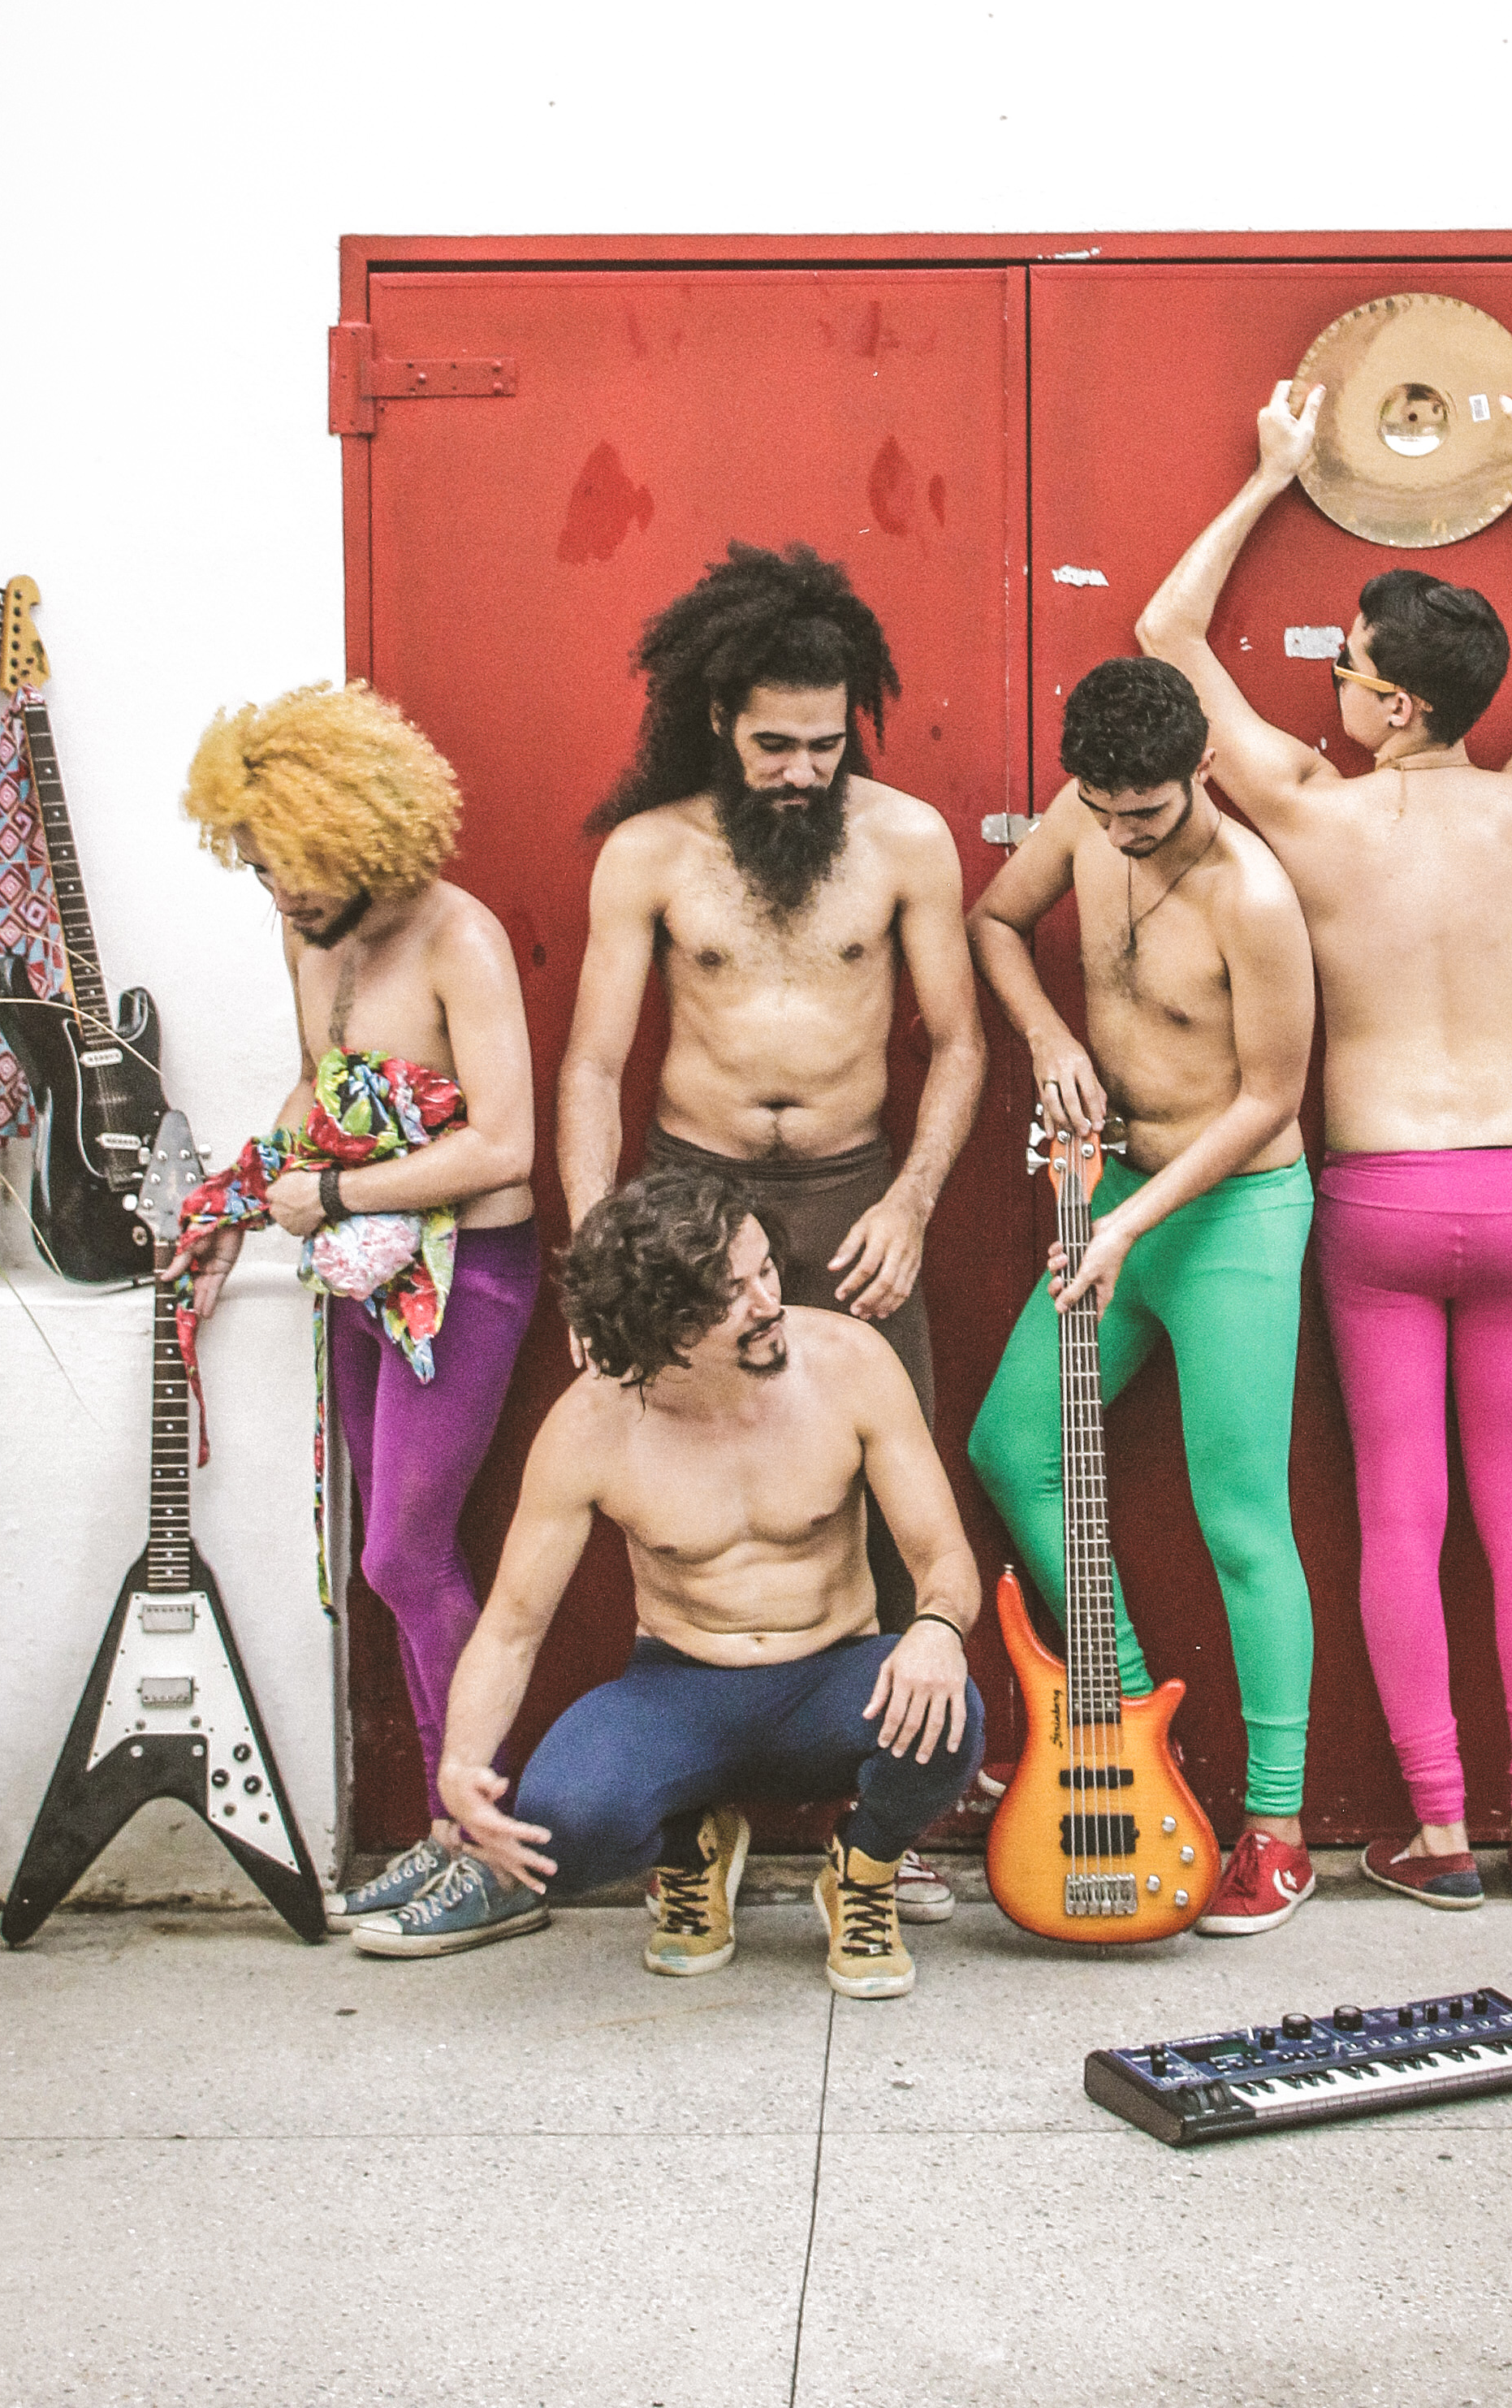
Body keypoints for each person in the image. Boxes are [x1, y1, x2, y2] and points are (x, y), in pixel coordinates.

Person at [1138, 374, 1512, 1908]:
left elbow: (1166, 633)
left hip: (1382, 1196)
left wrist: (1269, 475)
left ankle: (1440, 1837)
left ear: (1396, 705)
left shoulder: (1315, 816)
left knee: (1402, 1513)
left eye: (1349, 667)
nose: (1333, 683)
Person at [555, 539, 987, 1919]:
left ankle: (881, 1833)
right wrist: (597, 1264)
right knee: (679, 1483)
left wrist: (911, 1202)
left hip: (856, 1199)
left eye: (823, 743)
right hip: (693, 1199)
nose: (802, 770)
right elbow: (589, 1067)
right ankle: (699, 1804)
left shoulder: (907, 841)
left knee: (888, 1503)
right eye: (773, 745)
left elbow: (961, 1043)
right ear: (718, 721)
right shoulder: (650, 853)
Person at [348, 1168, 986, 1995]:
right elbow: (511, 1629)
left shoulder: (849, 1362)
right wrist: (461, 1765)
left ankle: (862, 1871)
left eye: (766, 1270)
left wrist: (936, 1630)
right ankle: (692, 1852)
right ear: (665, 1325)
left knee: (949, 1717)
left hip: (834, 1681)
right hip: (682, 1688)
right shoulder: (591, 1427)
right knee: (558, 1836)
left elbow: (943, 1558)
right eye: (733, 1295)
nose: (769, 1303)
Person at [170, 681, 540, 1931]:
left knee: (402, 1553)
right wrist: (232, 1208)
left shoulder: (459, 939)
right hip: (365, 1279)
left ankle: (490, 1853)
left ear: (360, 831)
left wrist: (327, 1193)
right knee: (392, 1560)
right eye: (259, 867)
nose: (279, 893)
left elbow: (504, 1147)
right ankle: (450, 1834)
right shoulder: (308, 936)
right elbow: (316, 1086)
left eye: (294, 864)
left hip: (468, 1275)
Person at [966, 655, 1321, 1932]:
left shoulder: (1252, 896)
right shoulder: (1087, 816)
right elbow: (995, 921)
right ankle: (1115, 1715)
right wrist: (1048, 1034)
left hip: (1231, 1217)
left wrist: (1129, 1221)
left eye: (1148, 813)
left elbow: (1271, 1098)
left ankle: (1277, 1830)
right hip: (1112, 1196)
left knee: (1242, 1519)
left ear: (1202, 771)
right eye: (1105, 810)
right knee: (1010, 1447)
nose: (1121, 835)